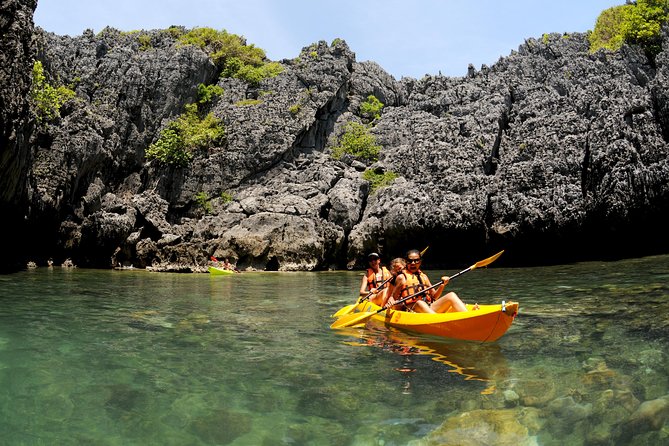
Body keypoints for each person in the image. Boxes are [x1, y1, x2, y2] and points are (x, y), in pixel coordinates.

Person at [385, 249, 475, 313]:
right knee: (420, 303)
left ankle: (468, 316)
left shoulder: (423, 276)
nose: (413, 263)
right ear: (406, 262)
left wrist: (443, 285)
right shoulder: (401, 277)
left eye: (416, 261)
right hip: (412, 310)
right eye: (410, 261)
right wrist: (390, 302)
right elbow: (393, 297)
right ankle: (439, 322)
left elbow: (434, 297)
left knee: (451, 295)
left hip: (428, 307)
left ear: (420, 262)